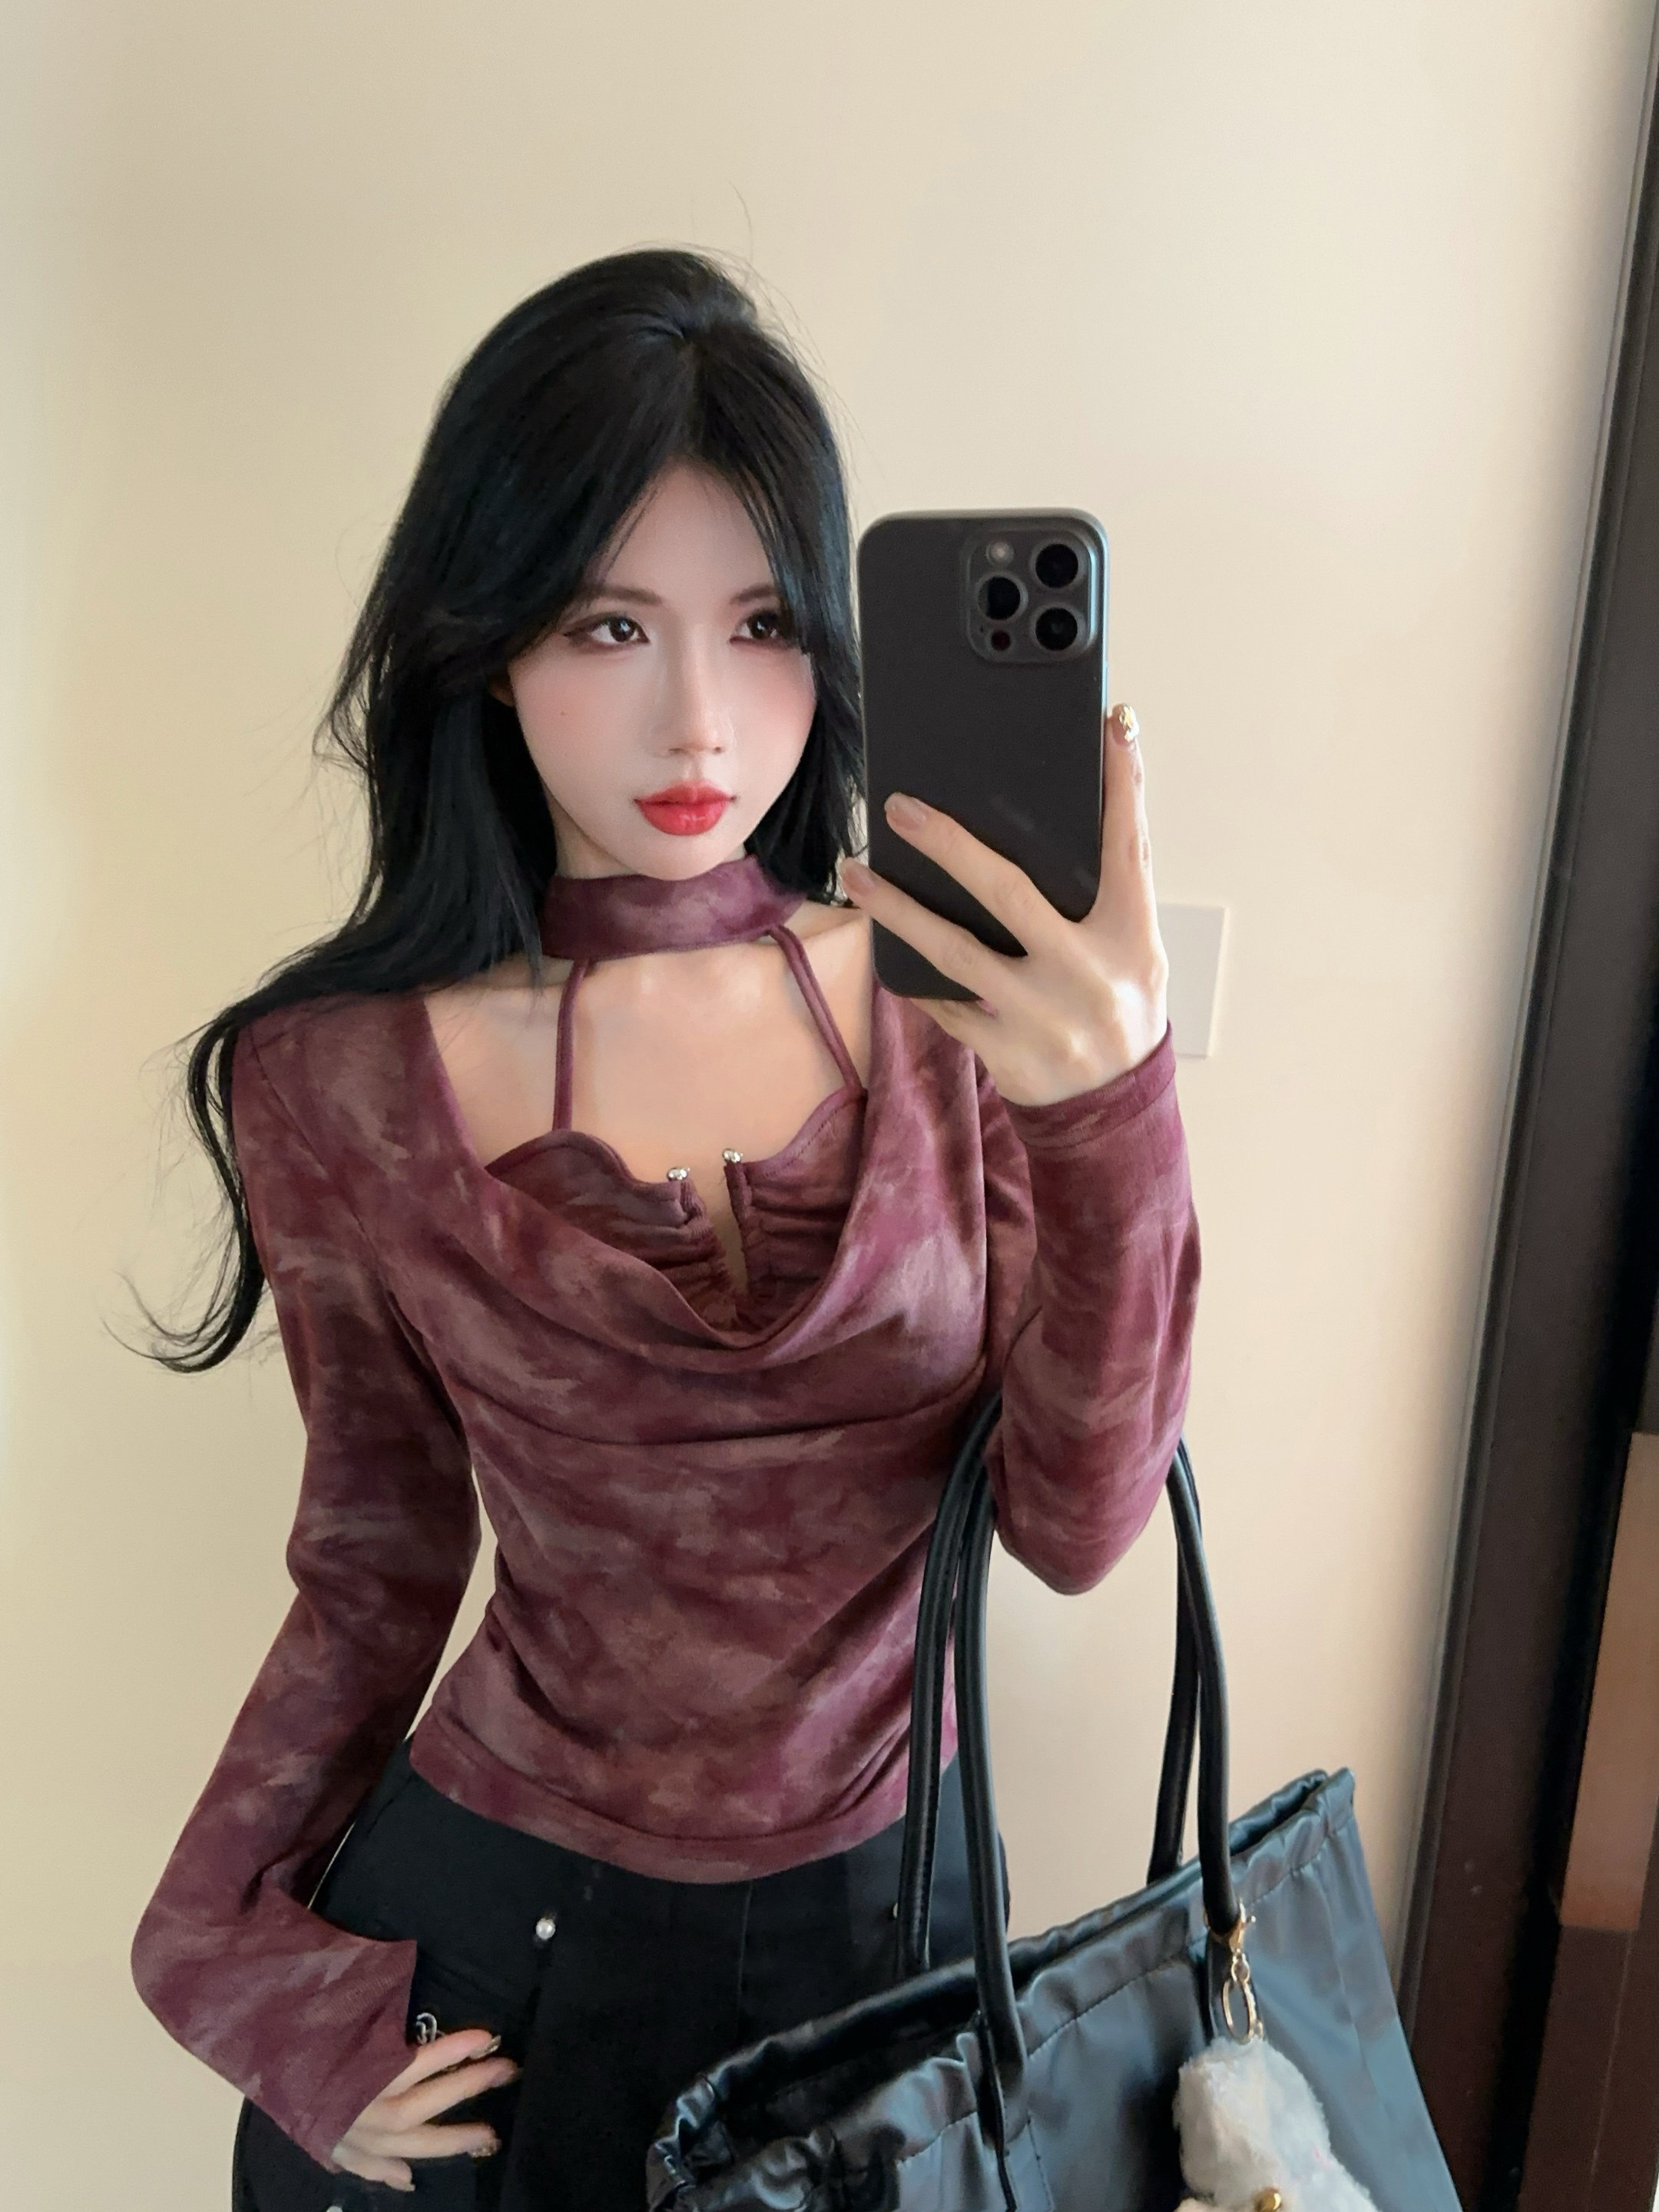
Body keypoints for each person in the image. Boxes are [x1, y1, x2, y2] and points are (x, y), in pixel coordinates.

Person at [128, 247, 1200, 2211]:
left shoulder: (957, 1018)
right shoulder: (338, 1080)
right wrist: (220, 1953)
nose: (698, 718)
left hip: (889, 1931)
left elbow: (1077, 1527)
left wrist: (1111, 1102)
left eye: (763, 624)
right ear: (490, 642)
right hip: (502, 1954)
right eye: (611, 625)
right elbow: (374, 1557)